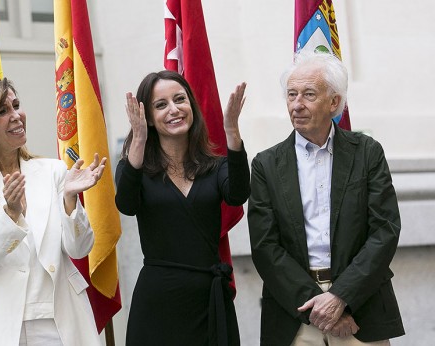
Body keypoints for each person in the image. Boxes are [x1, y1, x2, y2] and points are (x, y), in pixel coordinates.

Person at [247, 50, 404, 346]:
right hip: (294, 313)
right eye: (291, 95)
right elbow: (265, 245)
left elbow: (385, 230)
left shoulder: (367, 152)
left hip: (362, 311)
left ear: (334, 102)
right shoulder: (266, 164)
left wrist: (342, 297)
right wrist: (318, 306)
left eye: (308, 94)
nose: (297, 104)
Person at [0, 77, 105, 346]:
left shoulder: (53, 170)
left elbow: (79, 249)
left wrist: (69, 200)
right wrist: (10, 214)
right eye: (2, 111)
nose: (16, 116)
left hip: (57, 320)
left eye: (16, 105)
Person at [115, 70, 250, 346]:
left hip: (209, 301)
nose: (174, 109)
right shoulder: (134, 168)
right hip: (158, 303)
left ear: (192, 106)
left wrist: (232, 132)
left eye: (180, 99)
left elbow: (238, 194)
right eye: (161, 105)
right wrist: (138, 140)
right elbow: (126, 205)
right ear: (148, 118)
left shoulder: (216, 166)